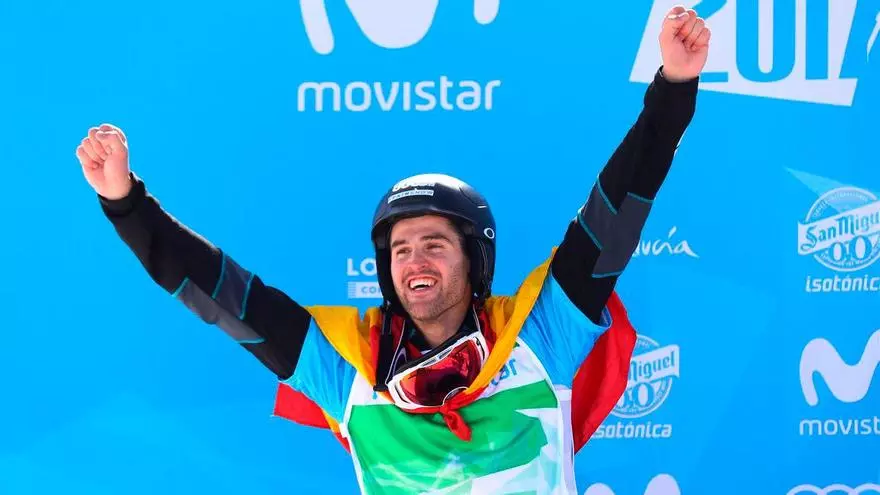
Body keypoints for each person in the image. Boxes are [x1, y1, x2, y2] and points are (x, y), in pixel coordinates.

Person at [75, 5, 710, 494]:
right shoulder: (346, 370)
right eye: (400, 250)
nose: (414, 262)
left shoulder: (540, 339)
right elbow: (220, 293)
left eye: (434, 244)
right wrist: (126, 202)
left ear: (476, 261)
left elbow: (614, 212)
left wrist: (674, 88)